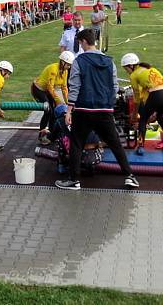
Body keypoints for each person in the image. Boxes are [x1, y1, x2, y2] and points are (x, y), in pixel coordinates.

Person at [55, 29, 138, 190]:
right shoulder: (109, 61)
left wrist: (69, 110)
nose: (79, 45)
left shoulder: (79, 61)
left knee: (77, 144)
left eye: (80, 42)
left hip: (84, 110)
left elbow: (74, 87)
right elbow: (114, 86)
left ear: (84, 42)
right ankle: (130, 176)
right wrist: (108, 103)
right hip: (104, 110)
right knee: (115, 144)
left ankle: (73, 179)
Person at [120, 53, 163, 155]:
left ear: (131, 66)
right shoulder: (151, 69)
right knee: (162, 119)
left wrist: (134, 114)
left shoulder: (134, 75)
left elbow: (137, 98)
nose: (126, 72)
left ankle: (141, 146)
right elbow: (146, 93)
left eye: (126, 69)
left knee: (143, 119)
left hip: (157, 93)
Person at [32, 51, 74, 144]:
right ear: (63, 62)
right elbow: (50, 88)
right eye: (68, 65)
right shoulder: (53, 69)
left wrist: (67, 103)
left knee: (54, 112)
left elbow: (64, 87)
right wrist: (58, 101)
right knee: (48, 111)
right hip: (39, 89)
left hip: (47, 90)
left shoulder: (65, 71)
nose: (69, 67)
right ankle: (41, 136)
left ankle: (51, 135)